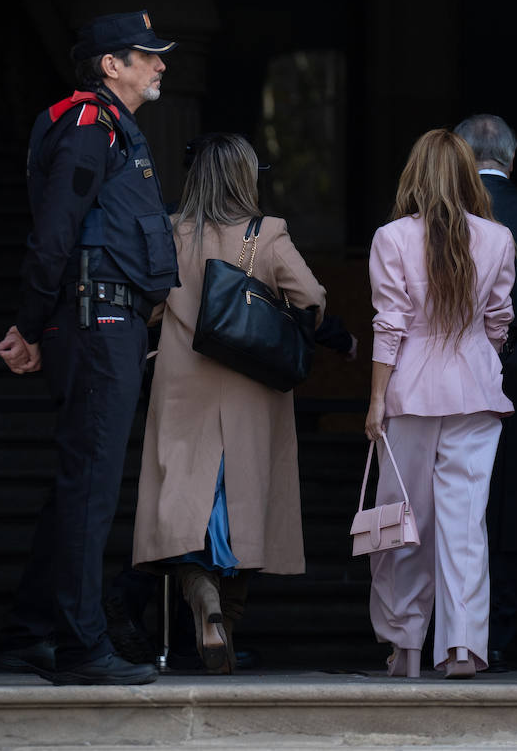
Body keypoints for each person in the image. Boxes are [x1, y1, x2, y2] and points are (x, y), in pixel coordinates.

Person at [0, 10, 179, 686]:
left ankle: (28, 633)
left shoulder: (109, 129)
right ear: (111, 65)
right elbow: (54, 235)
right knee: (91, 487)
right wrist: (31, 323)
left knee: (82, 482)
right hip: (97, 323)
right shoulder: (87, 126)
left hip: (105, 323)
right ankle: (79, 646)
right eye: (147, 55)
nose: (160, 65)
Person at [131, 132, 328, 673]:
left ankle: (205, 602)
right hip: (249, 388)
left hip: (183, 384)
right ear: (246, 177)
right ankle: (225, 625)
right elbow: (311, 296)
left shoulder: (171, 232)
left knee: (184, 506)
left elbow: (146, 304)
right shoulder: (266, 235)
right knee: (244, 507)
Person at [365, 129, 516, 679]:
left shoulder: (392, 238)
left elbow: (390, 325)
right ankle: (463, 648)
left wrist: (375, 400)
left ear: (416, 175)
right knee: (464, 523)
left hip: (408, 391)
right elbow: (499, 321)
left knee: (406, 521)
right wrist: (477, 357)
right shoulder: (498, 239)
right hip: (476, 389)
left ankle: (405, 645)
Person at [453, 113, 517, 671]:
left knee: (456, 504)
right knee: (512, 506)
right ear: (512, 160)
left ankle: (451, 631)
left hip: (451, 380)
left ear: (460, 161)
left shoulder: (438, 219)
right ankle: (498, 631)